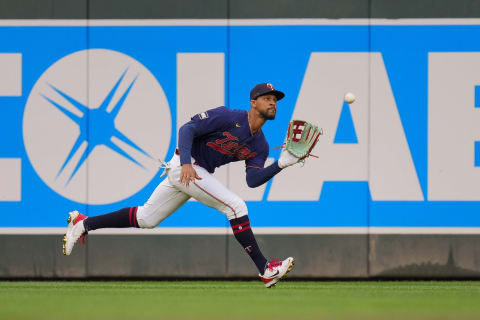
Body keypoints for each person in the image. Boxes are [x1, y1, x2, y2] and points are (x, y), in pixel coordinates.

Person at [63, 83, 304, 288]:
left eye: (275, 100)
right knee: (235, 207)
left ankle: (83, 224)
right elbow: (187, 128)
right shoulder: (229, 116)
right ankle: (265, 268)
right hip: (185, 166)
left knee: (146, 218)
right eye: (267, 98)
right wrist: (187, 163)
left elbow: (252, 180)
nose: (273, 103)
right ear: (254, 102)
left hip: (195, 172)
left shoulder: (260, 144)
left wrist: (281, 164)